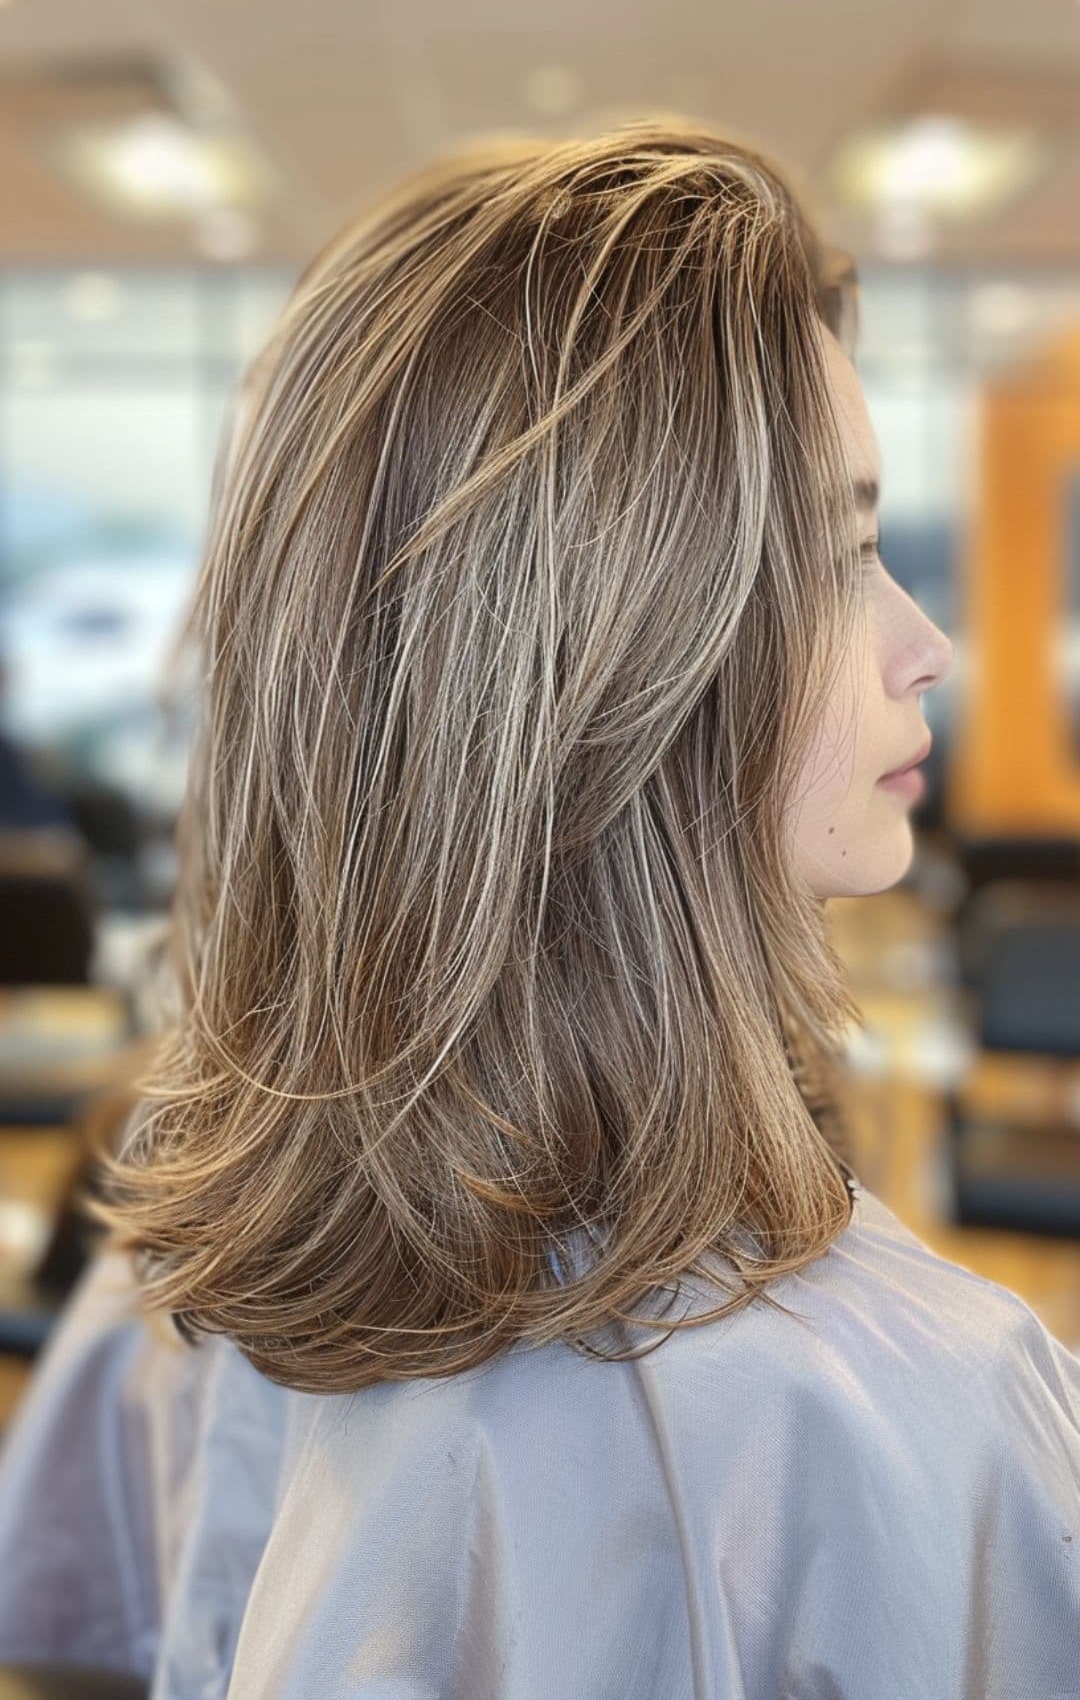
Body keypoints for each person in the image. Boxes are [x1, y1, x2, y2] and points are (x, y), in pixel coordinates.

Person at [0, 118, 1076, 1698]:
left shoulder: (274, 1299)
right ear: (628, 653)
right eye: (847, 553)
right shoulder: (932, 1408)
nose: (928, 644)